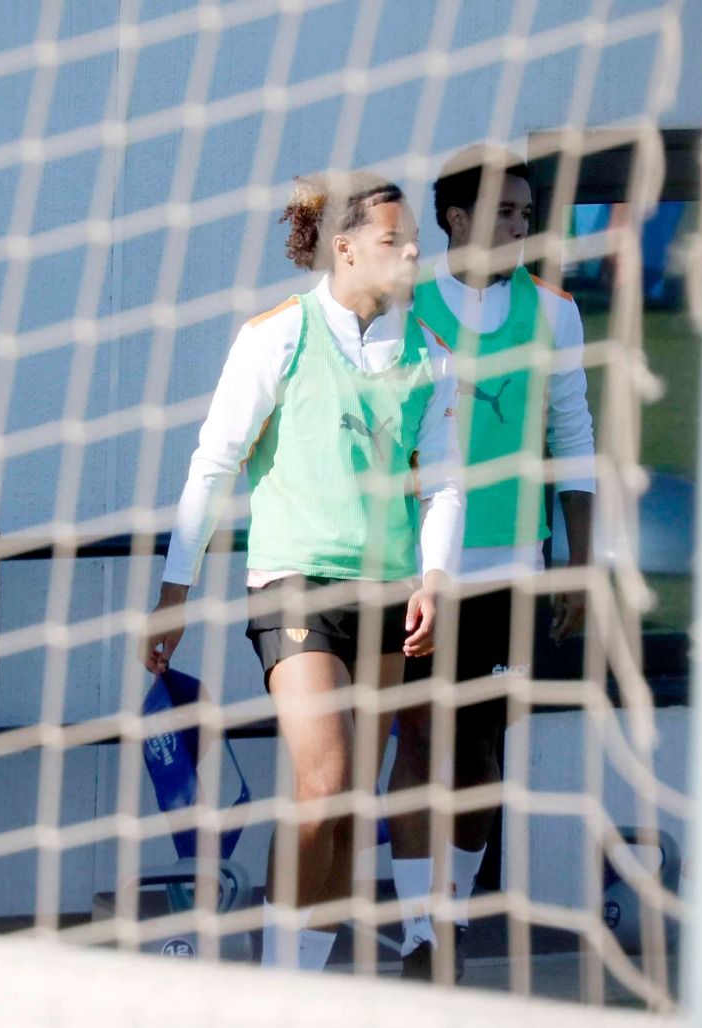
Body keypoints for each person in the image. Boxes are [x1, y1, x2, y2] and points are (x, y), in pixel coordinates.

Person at [139, 172, 464, 973]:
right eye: (394, 240)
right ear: (344, 248)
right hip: (294, 584)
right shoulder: (277, 336)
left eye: (415, 238)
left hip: (389, 592)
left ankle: (301, 984)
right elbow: (213, 464)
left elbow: (449, 480)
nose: (413, 251)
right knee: (326, 779)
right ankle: (272, 989)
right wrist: (173, 595)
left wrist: (434, 578)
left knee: (352, 807)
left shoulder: (432, 354)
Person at [386, 145, 596, 981]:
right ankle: (417, 936)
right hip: (419, 567)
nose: (521, 225)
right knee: (419, 736)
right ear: (457, 220)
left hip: (514, 567)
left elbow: (573, 435)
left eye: (527, 211)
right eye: (506, 211)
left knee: (477, 752)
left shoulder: (555, 313)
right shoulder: (408, 305)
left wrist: (577, 562)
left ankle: (456, 914)